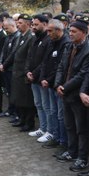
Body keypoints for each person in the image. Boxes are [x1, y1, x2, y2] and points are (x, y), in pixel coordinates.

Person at [54, 20, 89, 172]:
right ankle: (72, 152)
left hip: (77, 95)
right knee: (69, 125)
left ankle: (82, 158)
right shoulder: (69, 46)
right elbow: (61, 66)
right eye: (69, 31)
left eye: (74, 32)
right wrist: (58, 84)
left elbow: (83, 74)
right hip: (65, 93)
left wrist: (64, 87)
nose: (70, 34)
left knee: (81, 128)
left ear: (84, 33)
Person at [39, 19, 70, 153]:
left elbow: (60, 66)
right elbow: (46, 62)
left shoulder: (66, 43)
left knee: (61, 115)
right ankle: (56, 137)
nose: (48, 33)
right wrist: (43, 78)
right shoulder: (52, 42)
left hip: (58, 85)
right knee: (53, 112)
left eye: (50, 30)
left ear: (58, 30)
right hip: (50, 84)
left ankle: (63, 141)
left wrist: (50, 80)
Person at [25, 14, 52, 142]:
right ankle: (42, 127)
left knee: (46, 106)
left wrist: (34, 73)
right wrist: (28, 71)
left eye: (36, 24)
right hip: (33, 78)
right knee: (39, 104)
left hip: (42, 78)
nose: (33, 27)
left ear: (45, 24)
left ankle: (49, 131)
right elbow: (30, 57)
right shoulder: (35, 38)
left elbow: (45, 61)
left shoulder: (48, 39)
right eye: (33, 24)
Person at [10, 14, 36, 132]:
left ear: (27, 24)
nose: (18, 25)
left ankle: (29, 122)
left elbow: (29, 57)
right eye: (18, 23)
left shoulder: (31, 37)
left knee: (27, 100)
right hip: (17, 73)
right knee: (19, 98)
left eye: (20, 23)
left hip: (23, 74)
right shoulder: (21, 36)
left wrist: (26, 72)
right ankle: (21, 119)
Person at [0, 18, 20, 119]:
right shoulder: (8, 37)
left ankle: (16, 111)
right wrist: (0, 63)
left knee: (14, 91)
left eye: (7, 28)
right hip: (5, 69)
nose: (5, 30)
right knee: (8, 91)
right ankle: (10, 109)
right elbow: (3, 51)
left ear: (13, 26)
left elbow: (13, 53)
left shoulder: (17, 36)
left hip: (12, 68)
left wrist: (4, 64)